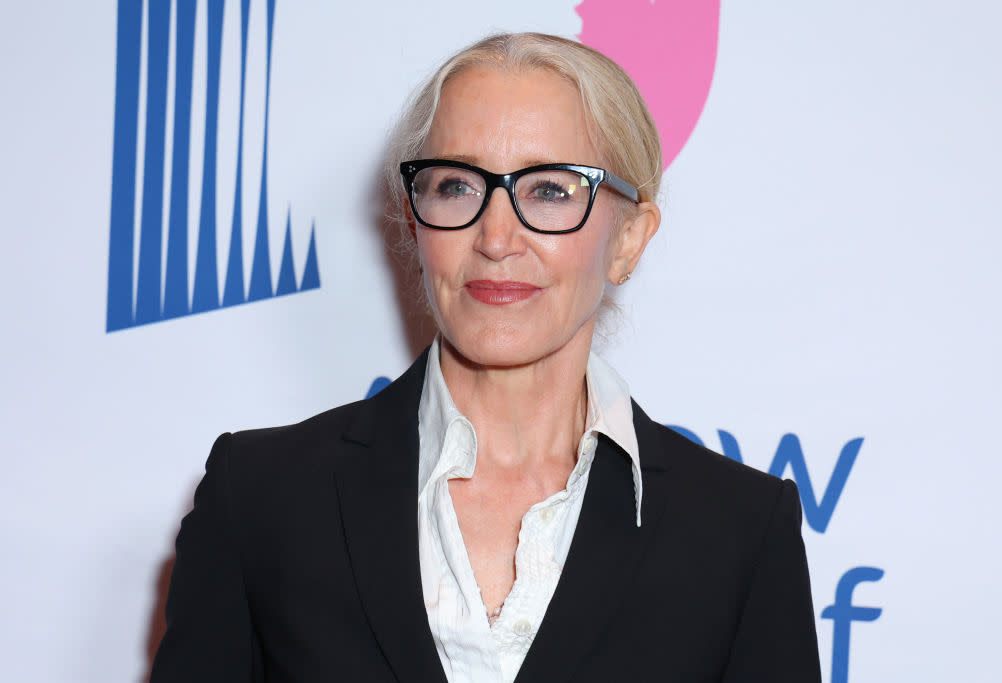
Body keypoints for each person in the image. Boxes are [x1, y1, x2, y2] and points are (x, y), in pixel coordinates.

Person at [150, 32, 821, 683]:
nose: (496, 237)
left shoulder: (739, 532)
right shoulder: (261, 497)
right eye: (456, 186)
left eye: (551, 190)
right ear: (414, 225)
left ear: (629, 239)